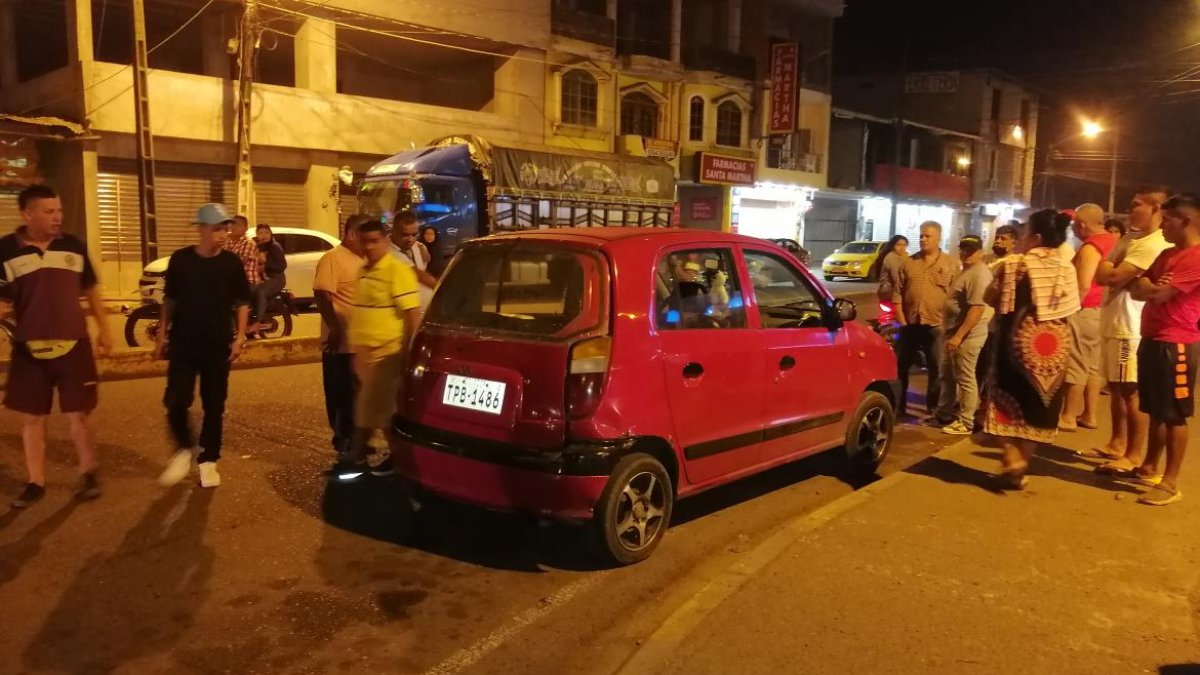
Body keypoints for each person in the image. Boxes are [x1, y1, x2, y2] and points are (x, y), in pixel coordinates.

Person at [1, 185, 112, 507]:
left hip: (74, 343)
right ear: (27, 214)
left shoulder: (73, 245)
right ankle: (35, 482)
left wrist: (105, 329)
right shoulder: (5, 250)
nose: (57, 217)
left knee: (81, 414)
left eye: (59, 210)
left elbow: (91, 290)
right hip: (28, 348)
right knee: (33, 418)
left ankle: (89, 472)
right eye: (49, 211)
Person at [155, 203, 252, 489]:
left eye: (226, 228)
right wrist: (162, 334)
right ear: (202, 229)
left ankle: (209, 460)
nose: (223, 233)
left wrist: (241, 336)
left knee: (214, 404)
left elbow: (242, 302)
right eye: (217, 228)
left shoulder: (231, 263)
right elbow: (169, 299)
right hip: (184, 343)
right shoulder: (181, 260)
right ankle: (184, 448)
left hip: (217, 343)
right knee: (176, 400)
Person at [984, 209, 1081, 489]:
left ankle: (1012, 457)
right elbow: (1072, 309)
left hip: (1014, 346)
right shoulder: (1067, 268)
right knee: (1039, 408)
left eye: (1026, 233)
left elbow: (988, 298)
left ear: (1036, 237)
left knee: (1003, 403)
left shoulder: (1014, 266)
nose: (1022, 238)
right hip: (1053, 350)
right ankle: (1021, 465)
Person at [1091, 186, 1175, 475]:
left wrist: (1110, 265)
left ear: (1156, 209)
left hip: (1129, 325)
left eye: (1136, 204)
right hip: (1114, 321)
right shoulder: (1130, 237)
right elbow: (1103, 276)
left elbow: (1111, 275)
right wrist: (1111, 266)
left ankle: (1133, 454)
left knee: (1130, 392)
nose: (1130, 209)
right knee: (1116, 388)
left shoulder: (1154, 243)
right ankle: (1117, 443)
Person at [332, 218, 421, 478]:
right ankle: (395, 459)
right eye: (365, 241)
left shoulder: (397, 270)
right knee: (376, 408)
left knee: (375, 408)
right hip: (364, 354)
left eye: (375, 241)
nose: (369, 247)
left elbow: (412, 315)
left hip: (386, 353)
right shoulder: (363, 270)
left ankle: (367, 456)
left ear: (385, 240)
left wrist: (409, 352)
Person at [1126, 194, 1200, 505]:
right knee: (1155, 409)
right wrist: (1150, 288)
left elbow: (1158, 294)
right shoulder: (1167, 254)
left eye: (1167, 220)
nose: (1162, 225)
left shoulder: (1196, 257)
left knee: (1173, 415)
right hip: (1152, 338)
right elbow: (1137, 287)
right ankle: (1149, 467)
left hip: (1177, 342)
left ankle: (1170, 483)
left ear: (1185, 221)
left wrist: (1151, 289)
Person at [1059, 204, 1118, 432]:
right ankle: (1090, 415)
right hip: (1104, 310)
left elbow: (1083, 285)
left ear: (1082, 224)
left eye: (1074, 225)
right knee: (1094, 366)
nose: (1072, 229)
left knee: (1076, 362)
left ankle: (1068, 416)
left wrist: (1068, 310)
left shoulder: (1091, 247)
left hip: (1086, 310)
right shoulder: (1114, 241)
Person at [314, 214, 366, 463]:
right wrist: (334, 327)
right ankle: (344, 442)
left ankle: (358, 442)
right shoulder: (333, 259)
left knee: (359, 396)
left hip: (362, 344)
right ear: (352, 234)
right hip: (341, 345)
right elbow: (322, 293)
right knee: (341, 396)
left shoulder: (365, 260)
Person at [893, 221, 958, 420]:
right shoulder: (908, 263)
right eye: (921, 235)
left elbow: (955, 298)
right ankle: (898, 407)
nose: (923, 239)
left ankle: (932, 408)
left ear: (939, 238)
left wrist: (952, 326)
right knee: (900, 367)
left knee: (937, 368)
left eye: (927, 236)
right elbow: (898, 295)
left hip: (937, 325)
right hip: (910, 325)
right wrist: (903, 324)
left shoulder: (950, 264)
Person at [935, 235, 994, 435]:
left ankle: (966, 421)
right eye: (963, 249)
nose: (966, 253)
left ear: (981, 252)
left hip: (967, 334)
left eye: (971, 250)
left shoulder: (979, 274)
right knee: (948, 375)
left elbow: (976, 309)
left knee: (965, 377)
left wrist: (959, 336)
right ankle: (944, 413)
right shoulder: (967, 271)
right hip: (953, 333)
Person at [389, 211, 436, 313]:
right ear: (394, 231)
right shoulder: (387, 252)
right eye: (405, 235)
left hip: (423, 312)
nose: (410, 239)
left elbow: (425, 264)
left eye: (414, 234)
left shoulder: (416, 246)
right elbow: (421, 276)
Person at [251, 223, 287, 333]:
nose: (264, 235)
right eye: (260, 233)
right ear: (257, 235)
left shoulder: (275, 247)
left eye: (266, 232)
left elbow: (282, 266)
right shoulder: (257, 246)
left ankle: (258, 322)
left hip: (277, 278)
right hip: (264, 278)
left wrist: (266, 264)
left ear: (271, 234)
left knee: (261, 292)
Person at [224, 214, 262, 295]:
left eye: (238, 224)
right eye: (233, 223)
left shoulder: (248, 243)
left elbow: (239, 264)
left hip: (247, 281)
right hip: (230, 280)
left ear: (246, 228)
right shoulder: (226, 240)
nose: (234, 226)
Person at [875, 234, 908, 302]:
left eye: (904, 245)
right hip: (889, 291)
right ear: (893, 246)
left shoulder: (904, 256)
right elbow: (896, 277)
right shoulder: (891, 257)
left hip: (890, 290)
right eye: (898, 245)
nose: (902, 248)